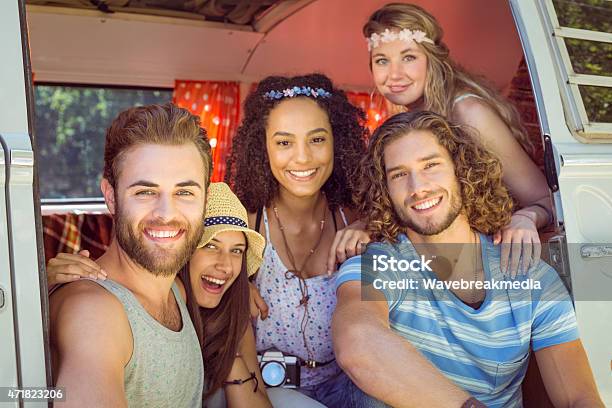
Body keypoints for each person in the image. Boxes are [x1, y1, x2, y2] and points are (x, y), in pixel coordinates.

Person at [332, 111, 604, 407]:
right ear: (385, 190)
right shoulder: (377, 262)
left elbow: (578, 397)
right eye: (398, 174)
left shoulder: (531, 277)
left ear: (461, 171)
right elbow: (358, 341)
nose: (417, 187)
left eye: (431, 165)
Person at [48, 182, 325, 408]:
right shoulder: (127, 301)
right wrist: (47, 280)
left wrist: (229, 357)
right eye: (211, 246)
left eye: (237, 250)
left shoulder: (233, 311)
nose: (225, 265)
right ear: (183, 253)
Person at [224, 73, 382, 407]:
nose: (303, 158)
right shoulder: (243, 225)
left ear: (336, 141)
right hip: (269, 392)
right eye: (284, 142)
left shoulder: (354, 216)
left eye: (317, 139)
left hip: (349, 385)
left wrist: (372, 228)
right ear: (261, 147)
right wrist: (230, 285)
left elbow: (437, 258)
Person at [363, 3, 554, 276]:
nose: (394, 74)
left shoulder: (467, 112)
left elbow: (546, 199)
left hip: (497, 264)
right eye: (382, 60)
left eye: (408, 58)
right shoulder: (406, 125)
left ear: (432, 58)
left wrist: (527, 217)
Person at [49, 103, 211, 407]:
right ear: (111, 197)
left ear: (206, 197)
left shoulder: (177, 290)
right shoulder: (94, 312)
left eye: (185, 192)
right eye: (145, 192)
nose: (167, 214)